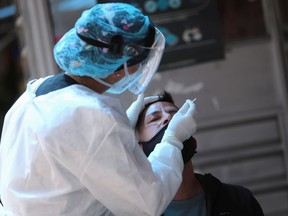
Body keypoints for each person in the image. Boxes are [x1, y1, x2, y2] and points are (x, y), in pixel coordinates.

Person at [0, 3, 197, 216]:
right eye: (138, 63)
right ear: (118, 70)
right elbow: (147, 203)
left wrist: (122, 136)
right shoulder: (93, 117)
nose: (138, 70)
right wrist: (172, 142)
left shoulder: (36, 92)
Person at [135, 91, 265, 216]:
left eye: (174, 114)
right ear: (139, 148)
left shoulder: (239, 200)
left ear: (193, 143)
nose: (168, 118)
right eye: (154, 119)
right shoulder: (133, 210)